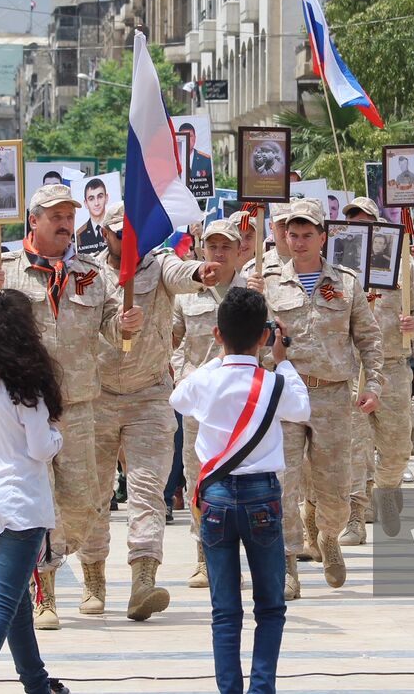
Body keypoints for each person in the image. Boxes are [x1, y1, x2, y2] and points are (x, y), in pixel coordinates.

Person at [0, 182, 133, 631]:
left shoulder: (91, 273)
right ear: (33, 221)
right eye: (55, 216)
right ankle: (43, 591)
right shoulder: (6, 270)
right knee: (32, 507)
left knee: (85, 502)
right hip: (25, 405)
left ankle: (49, 558)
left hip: (78, 406)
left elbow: (115, 330)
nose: (65, 223)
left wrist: (126, 323)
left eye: (68, 216)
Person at [171, 287, 310, 694]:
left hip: (214, 498)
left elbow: (178, 397)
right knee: (270, 606)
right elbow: (302, 409)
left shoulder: (206, 380)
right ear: (266, 336)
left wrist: (217, 359)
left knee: (224, 610)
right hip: (261, 496)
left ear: (217, 334)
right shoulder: (273, 382)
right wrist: (283, 363)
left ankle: (229, 689)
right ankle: (261, 687)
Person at [85, 202, 218, 621]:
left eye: (137, 233)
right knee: (94, 495)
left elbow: (182, 274)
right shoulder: (87, 273)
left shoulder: (160, 264)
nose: (130, 242)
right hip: (97, 396)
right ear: (105, 235)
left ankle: (143, 580)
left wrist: (200, 272)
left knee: (147, 490)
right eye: (121, 234)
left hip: (148, 396)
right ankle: (93, 580)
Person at [248, 198, 384, 598]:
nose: (300, 241)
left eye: (308, 234)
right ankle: (287, 563)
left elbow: (369, 339)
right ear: (285, 237)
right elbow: (245, 336)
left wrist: (373, 384)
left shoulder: (345, 283)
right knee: (283, 483)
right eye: (293, 234)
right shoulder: (266, 281)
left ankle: (328, 534)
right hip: (287, 393)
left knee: (335, 486)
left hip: (333, 396)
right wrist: (248, 295)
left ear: (323, 237)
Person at [0, 289, 71, 694]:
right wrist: (58, 437)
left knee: (18, 604)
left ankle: (37, 684)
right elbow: (40, 448)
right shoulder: (27, 385)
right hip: (20, 500)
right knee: (4, 602)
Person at [340, 197, 414, 542]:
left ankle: (388, 491)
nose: (359, 229)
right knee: (354, 447)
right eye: (352, 223)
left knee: (396, 448)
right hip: (350, 369)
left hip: (392, 368)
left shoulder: (401, 266)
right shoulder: (335, 270)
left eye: (365, 223)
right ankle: (354, 516)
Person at [171, 220, 250, 588]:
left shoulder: (254, 291)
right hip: (201, 403)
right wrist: (181, 375)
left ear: (240, 252)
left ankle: (243, 554)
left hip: (243, 404)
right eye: (212, 247)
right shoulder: (187, 293)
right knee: (198, 479)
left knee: (243, 479)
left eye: (226, 248)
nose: (218, 254)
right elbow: (171, 339)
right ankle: (205, 556)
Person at [75, 178, 109, 255]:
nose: (96, 203)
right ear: (86, 203)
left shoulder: (115, 230)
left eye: (100, 197)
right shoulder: (79, 235)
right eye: (91, 199)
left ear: (106, 198)